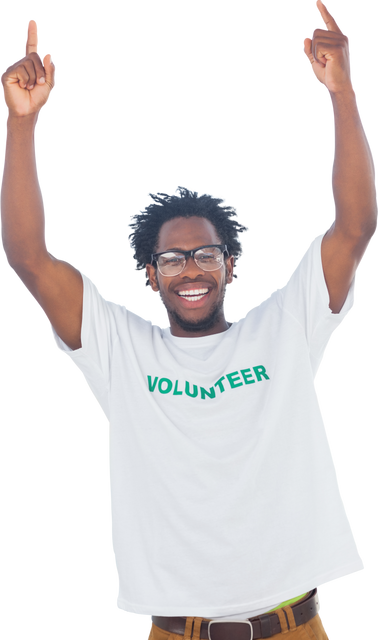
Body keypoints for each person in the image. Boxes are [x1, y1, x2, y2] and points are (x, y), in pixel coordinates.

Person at [1, 4, 376, 639]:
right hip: (176, 632)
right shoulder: (121, 348)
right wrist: (20, 124)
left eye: (205, 254)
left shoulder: (285, 327)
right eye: (170, 259)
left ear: (231, 267)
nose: (190, 269)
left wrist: (342, 92)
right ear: (149, 276)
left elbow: (354, 228)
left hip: (296, 628)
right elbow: (29, 259)